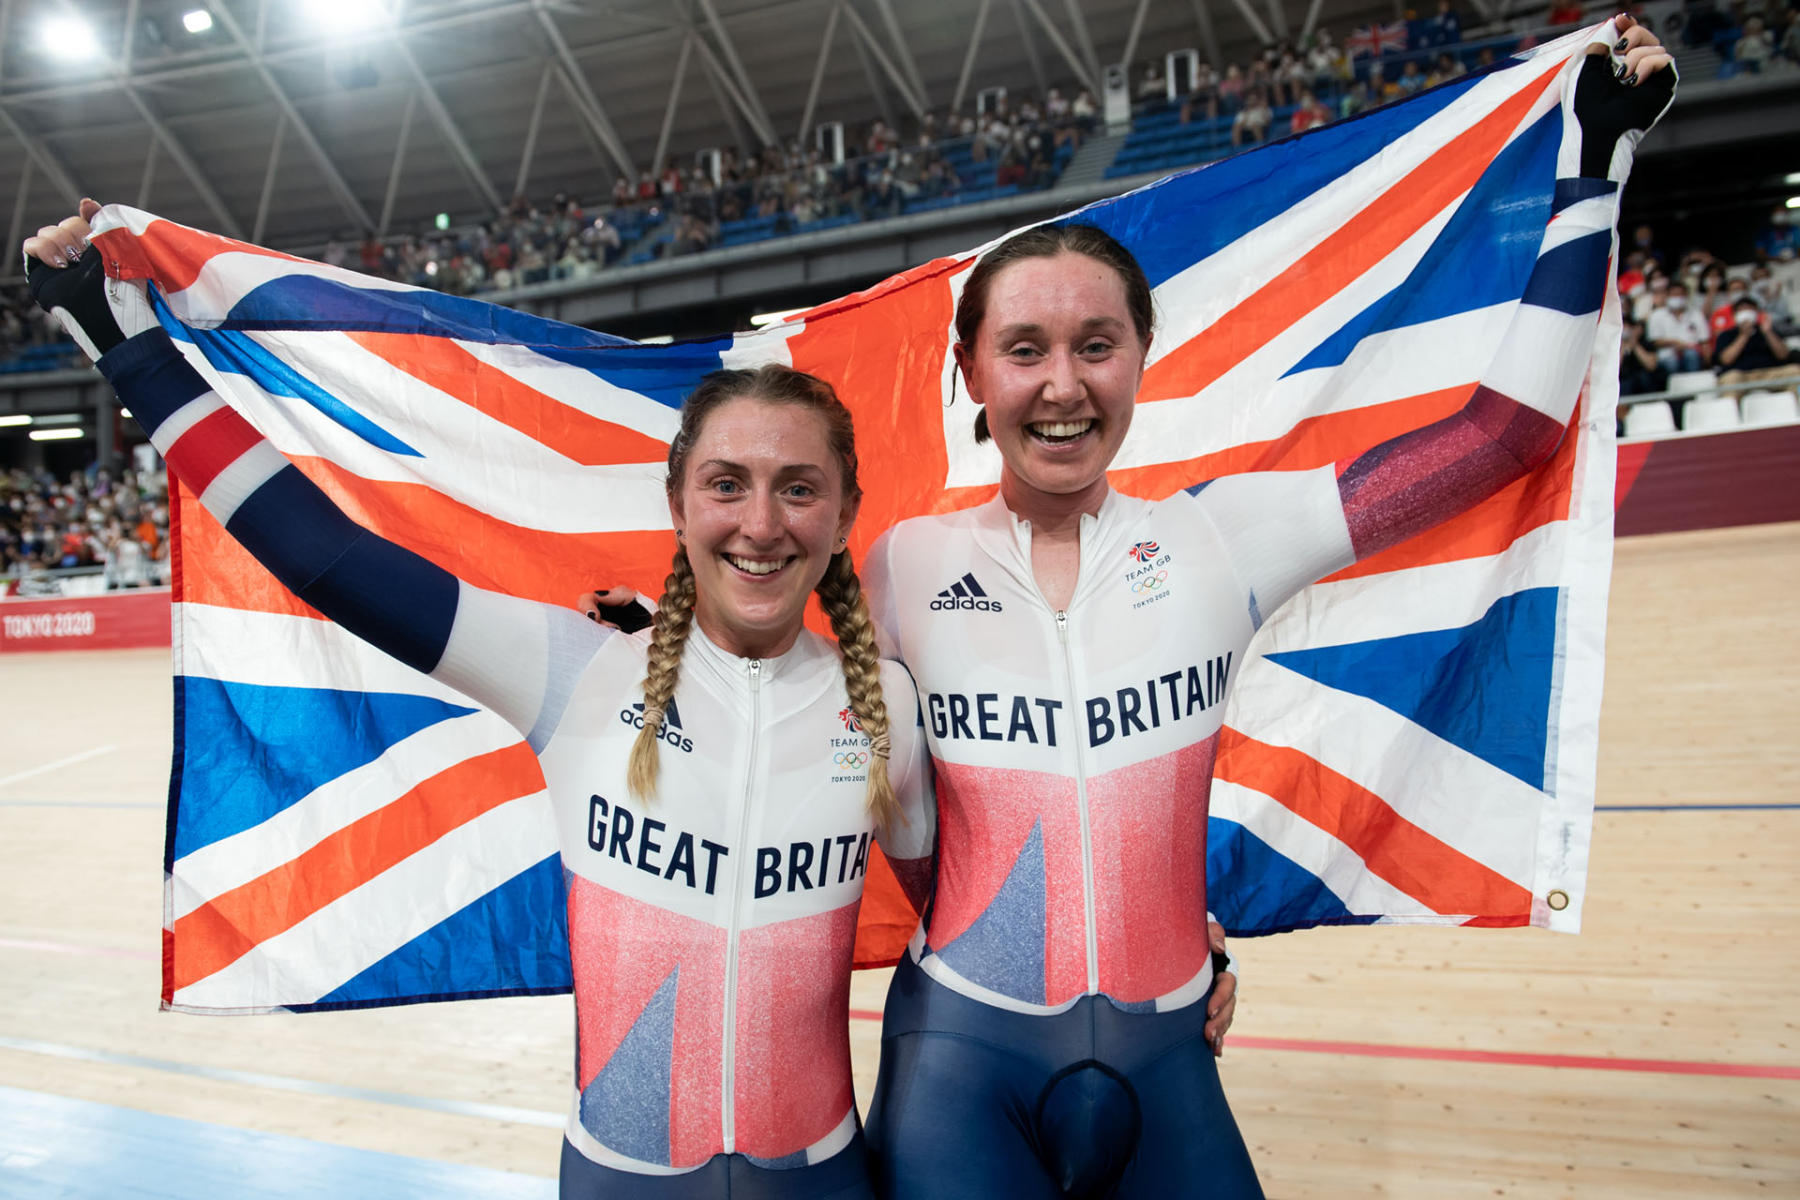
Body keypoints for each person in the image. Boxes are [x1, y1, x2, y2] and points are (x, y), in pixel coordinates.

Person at [850, 19, 1673, 1200]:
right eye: (1023, 349)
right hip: (961, 1055)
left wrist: (1593, 161)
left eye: (1098, 344)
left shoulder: (1222, 535)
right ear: (971, 374)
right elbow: (873, 797)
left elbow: (1500, 436)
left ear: (1143, 354)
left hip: (1169, 1047)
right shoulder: (903, 565)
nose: (1064, 384)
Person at [21, 216, 936, 1199]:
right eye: (728, 485)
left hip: (825, 1178)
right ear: (678, 502)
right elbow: (325, 556)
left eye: (799, 489)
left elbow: (949, 926)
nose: (762, 523)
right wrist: (116, 342)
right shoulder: (576, 670)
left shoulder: (887, 706)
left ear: (844, 516)